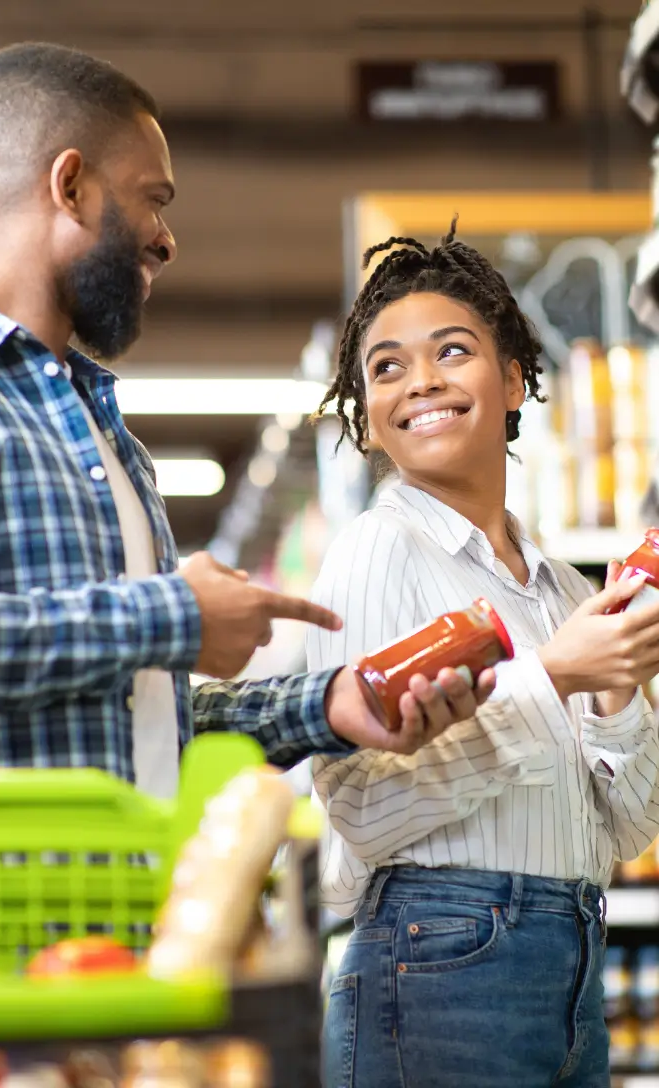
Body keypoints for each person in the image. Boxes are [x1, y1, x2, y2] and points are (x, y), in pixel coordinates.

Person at [0, 44, 494, 791]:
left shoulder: (109, 439)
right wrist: (166, 615)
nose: (166, 238)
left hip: (125, 896)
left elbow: (144, 719)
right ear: (70, 186)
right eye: (152, 199)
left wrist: (330, 704)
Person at [308, 222, 659, 1087]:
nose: (419, 380)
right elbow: (361, 805)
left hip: (569, 964)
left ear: (512, 381)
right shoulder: (375, 551)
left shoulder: (564, 593)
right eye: (385, 367)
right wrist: (558, 676)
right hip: (438, 962)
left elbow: (630, 828)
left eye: (451, 352)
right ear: (368, 418)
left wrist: (617, 685)